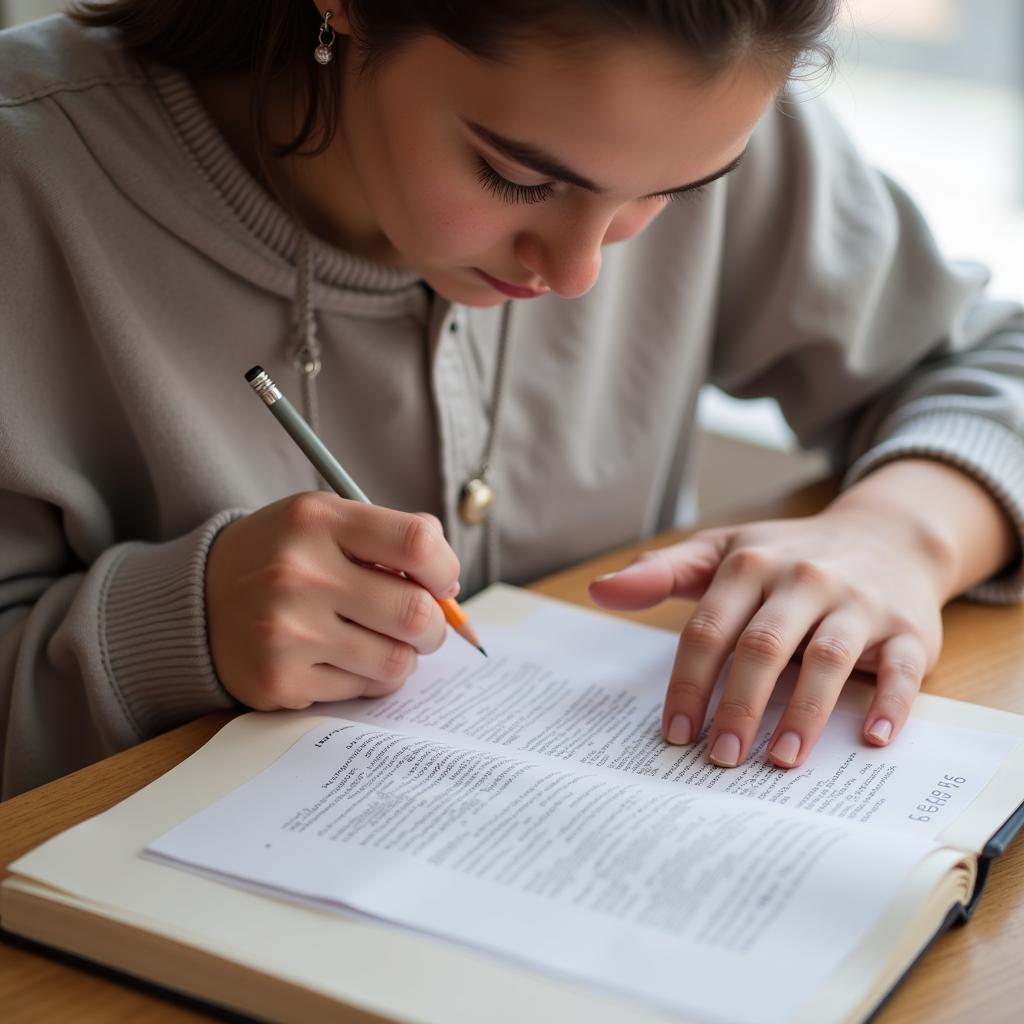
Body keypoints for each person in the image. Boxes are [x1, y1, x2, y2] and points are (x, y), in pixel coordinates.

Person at [0, 1, 1021, 800]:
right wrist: (175, 629)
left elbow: (990, 354)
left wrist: (901, 534)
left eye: (676, 193)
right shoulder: (29, 184)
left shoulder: (689, 107)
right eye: (514, 176)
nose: (580, 270)